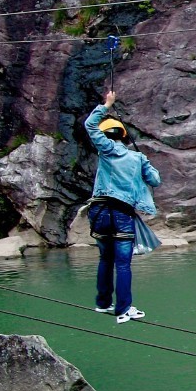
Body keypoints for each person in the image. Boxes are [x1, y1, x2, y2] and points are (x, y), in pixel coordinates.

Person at [84, 90, 161, 324]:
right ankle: (123, 309)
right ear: (125, 136)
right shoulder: (137, 159)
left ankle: (103, 303)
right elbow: (155, 180)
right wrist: (143, 162)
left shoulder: (105, 151)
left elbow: (90, 125)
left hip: (98, 211)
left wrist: (106, 105)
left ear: (107, 136)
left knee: (105, 258)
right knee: (123, 264)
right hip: (121, 214)